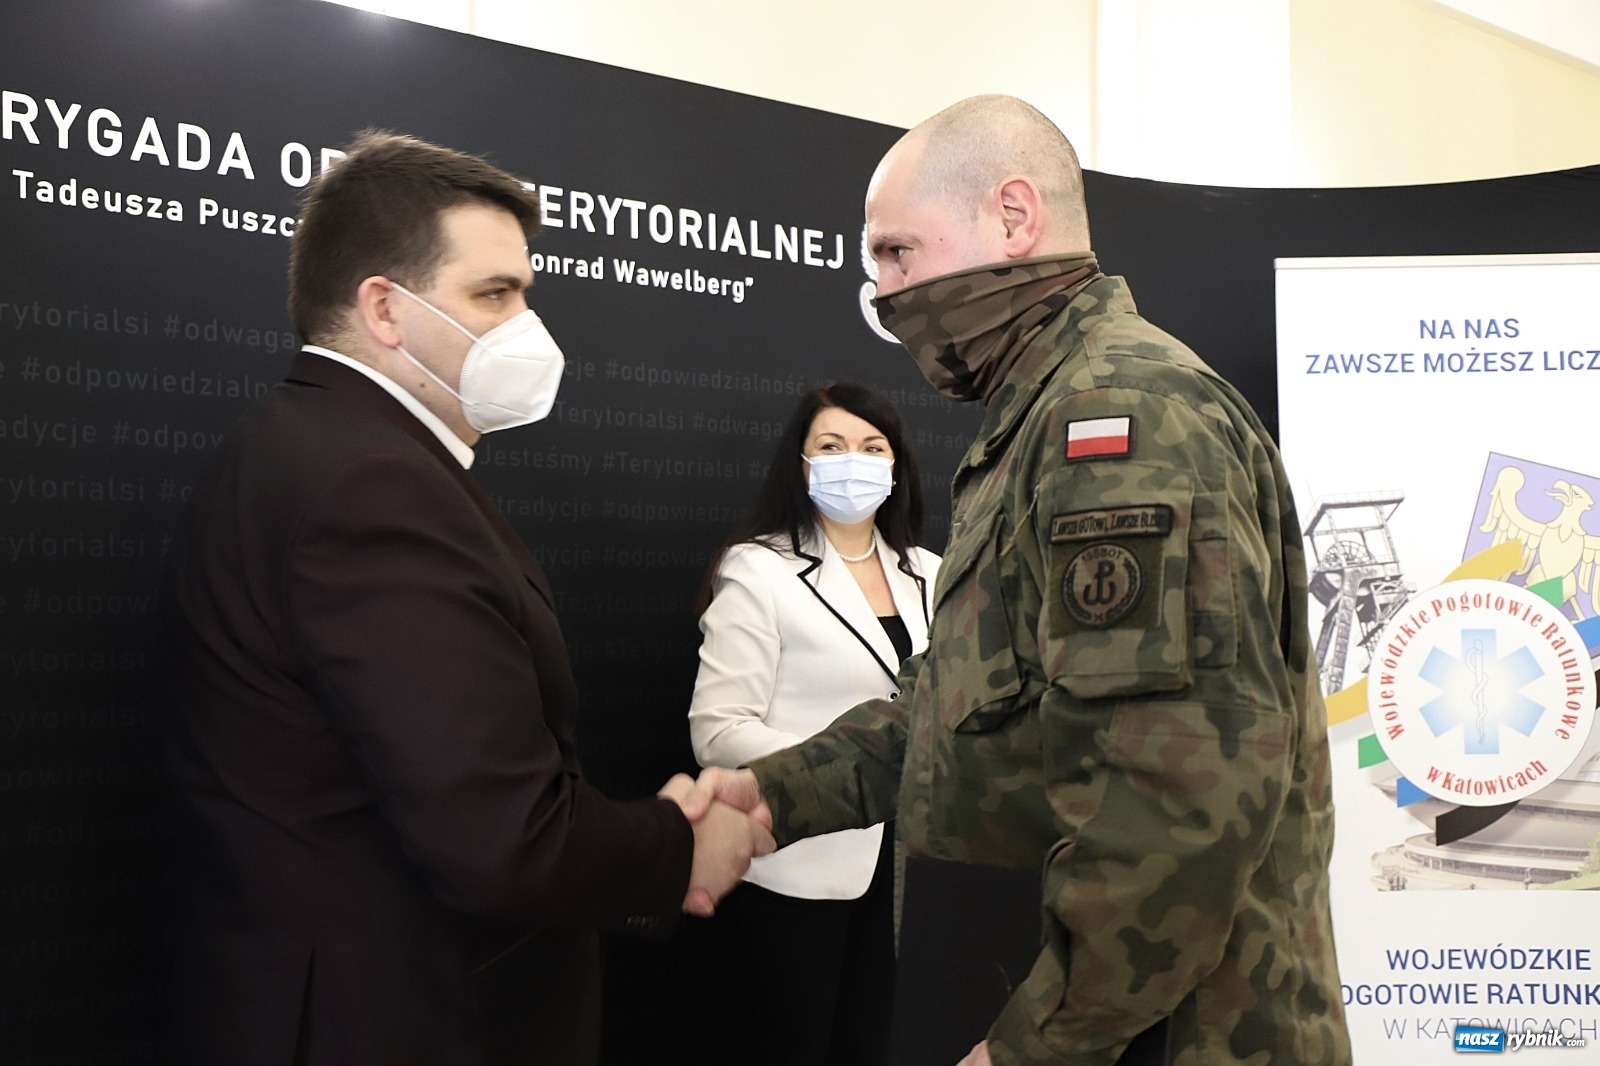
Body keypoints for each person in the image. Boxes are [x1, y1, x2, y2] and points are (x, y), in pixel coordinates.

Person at [703, 96, 1352, 1066]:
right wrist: (771, 797)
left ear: (1013, 217)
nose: (883, 294)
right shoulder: (1044, 416)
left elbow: (1175, 800)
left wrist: (1034, 1045)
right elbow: (958, 711)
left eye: (897, 254)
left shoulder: (1118, 416)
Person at [163, 130, 772, 1066]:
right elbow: (501, 840)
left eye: (525, 291)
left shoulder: (314, 446)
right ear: (385, 309)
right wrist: (682, 846)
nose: (527, 324)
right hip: (400, 1019)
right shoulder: (370, 486)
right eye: (494, 294)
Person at [688, 382, 941, 1065]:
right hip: (796, 863)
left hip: (911, 869)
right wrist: (853, 769)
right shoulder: (759, 568)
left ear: (896, 466)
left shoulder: (934, 574)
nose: (852, 460)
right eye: (831, 446)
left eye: (871, 447)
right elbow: (718, 730)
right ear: (801, 465)